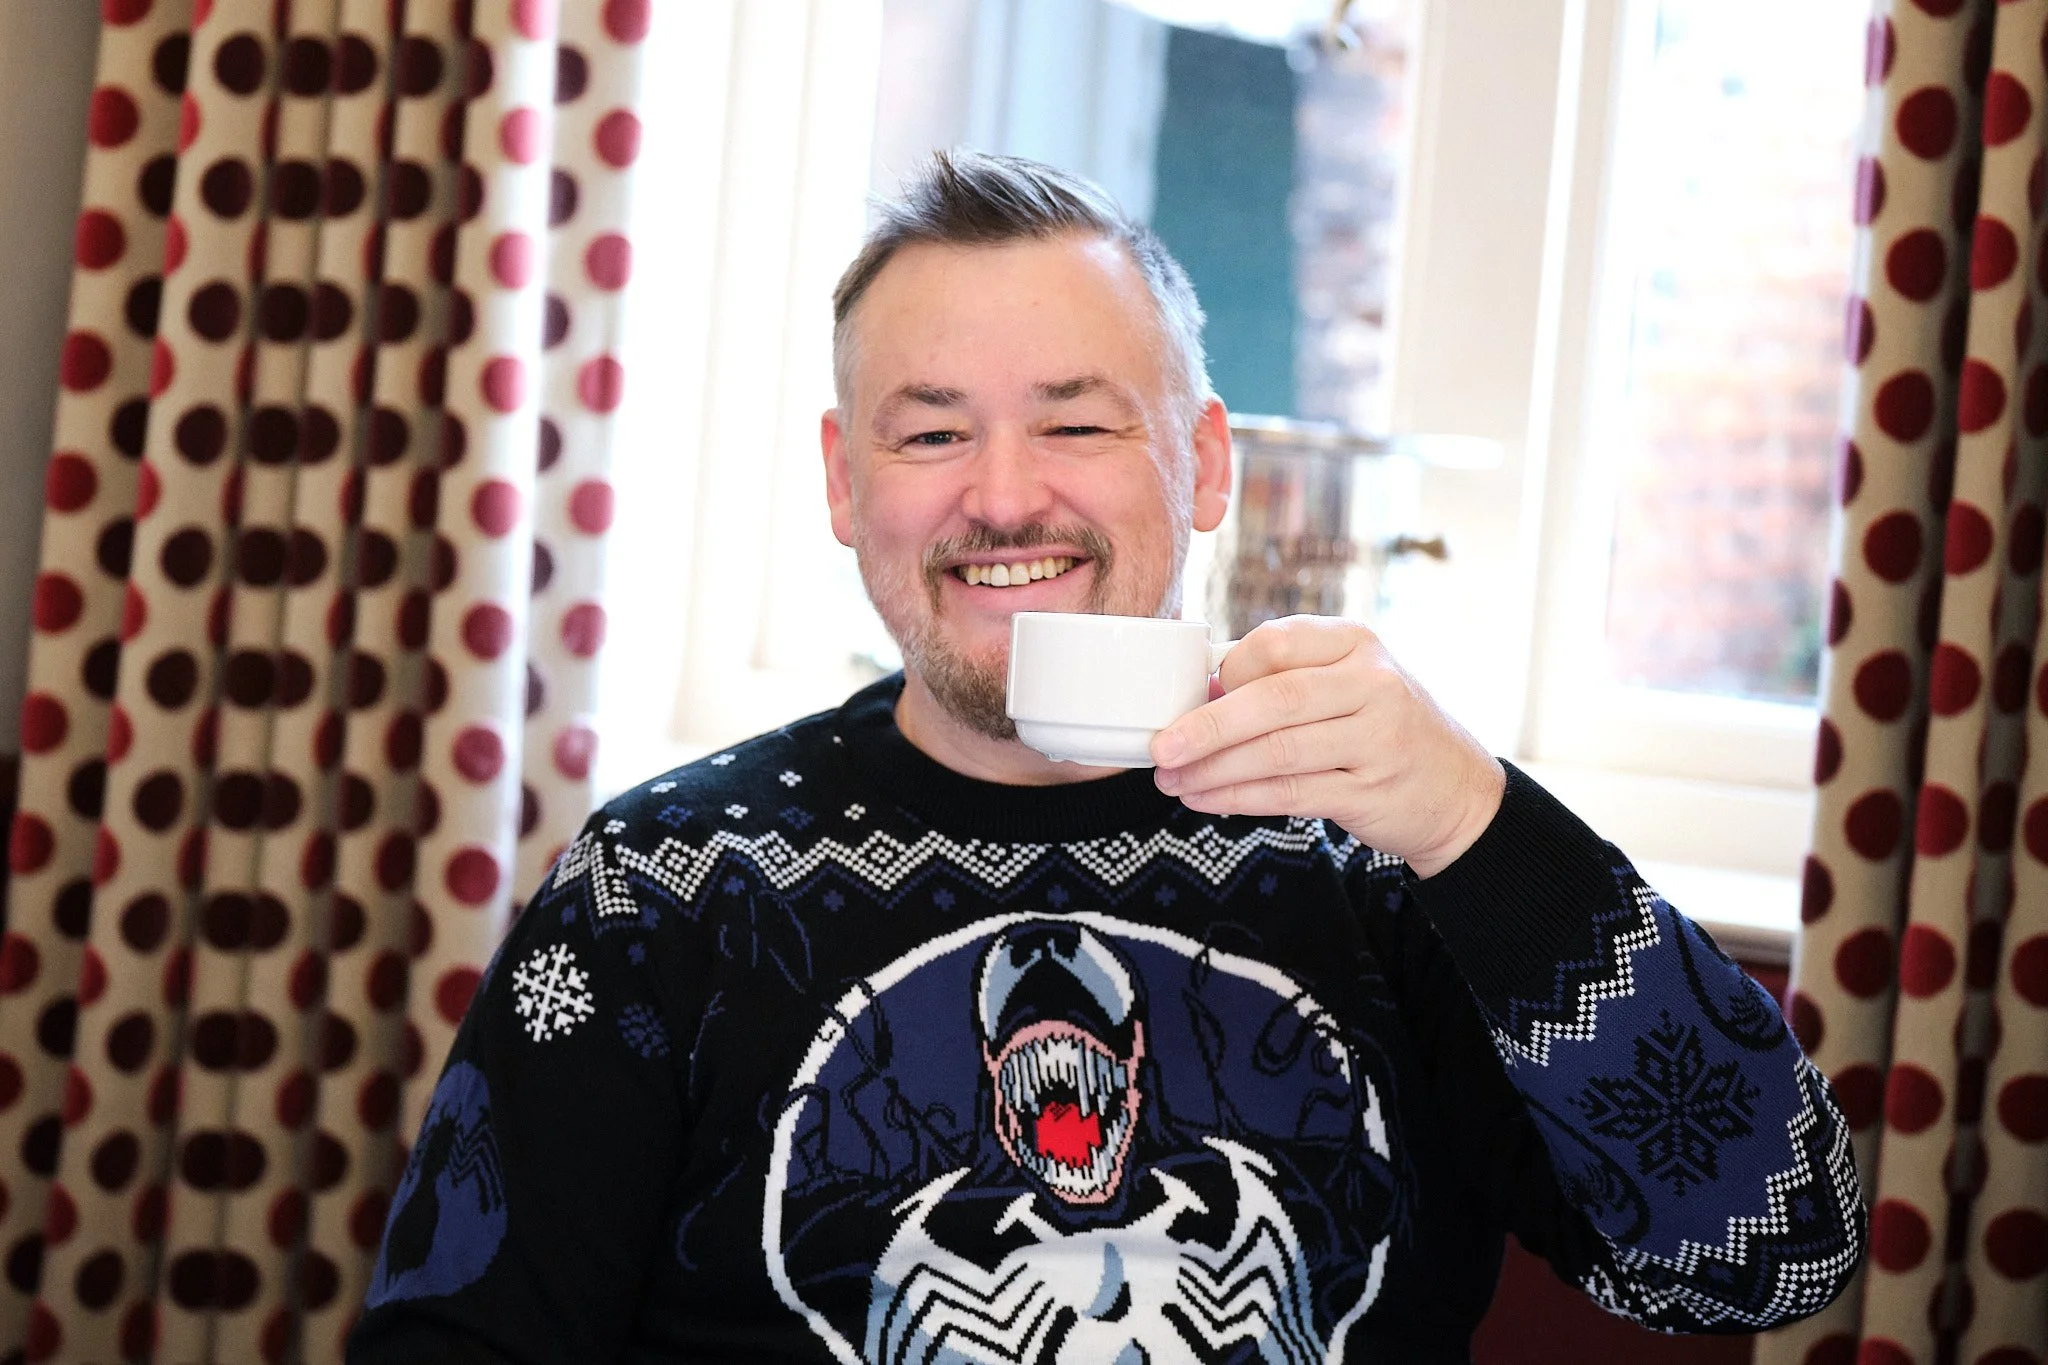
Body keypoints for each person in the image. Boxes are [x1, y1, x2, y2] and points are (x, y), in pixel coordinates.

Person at [349, 150, 1864, 1363]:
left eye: (1074, 425)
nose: (1003, 501)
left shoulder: (1387, 857)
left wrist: (1480, 824)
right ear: (842, 479)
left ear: (1202, 465)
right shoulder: (664, 881)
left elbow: (1770, 1250)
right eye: (931, 435)